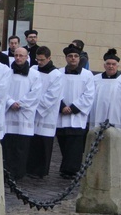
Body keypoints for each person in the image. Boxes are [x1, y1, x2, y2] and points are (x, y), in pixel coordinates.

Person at [2, 47, 42, 180]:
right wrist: (10, 102)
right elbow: (2, 90)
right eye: (16, 55)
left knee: (21, 147)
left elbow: (35, 93)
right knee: (8, 146)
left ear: (27, 57)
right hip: (9, 113)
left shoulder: (35, 75)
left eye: (21, 56)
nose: (18, 58)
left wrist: (20, 104)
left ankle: (19, 173)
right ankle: (6, 172)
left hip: (24, 115)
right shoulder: (6, 72)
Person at [56, 43, 96, 179]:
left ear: (79, 58)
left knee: (75, 145)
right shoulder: (59, 73)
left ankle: (71, 170)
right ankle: (67, 167)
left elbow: (89, 94)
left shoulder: (87, 75)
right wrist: (62, 106)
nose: (73, 58)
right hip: (61, 114)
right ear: (66, 58)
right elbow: (54, 91)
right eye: (70, 56)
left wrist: (73, 108)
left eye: (75, 56)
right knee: (63, 142)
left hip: (77, 116)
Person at [26, 46, 63, 179]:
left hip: (46, 114)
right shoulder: (33, 69)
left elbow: (52, 96)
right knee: (32, 141)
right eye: (37, 59)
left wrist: (35, 105)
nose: (39, 62)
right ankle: (29, 168)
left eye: (42, 60)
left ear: (49, 58)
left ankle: (40, 170)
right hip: (31, 111)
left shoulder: (57, 75)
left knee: (43, 142)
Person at [90, 49, 121, 127]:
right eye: (108, 64)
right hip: (98, 113)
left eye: (113, 64)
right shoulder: (96, 79)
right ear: (104, 65)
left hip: (116, 114)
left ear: (118, 66)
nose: (111, 66)